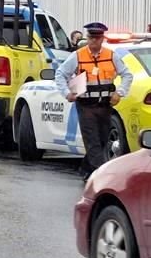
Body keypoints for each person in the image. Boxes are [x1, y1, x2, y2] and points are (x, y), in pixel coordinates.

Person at [55, 22, 134, 180]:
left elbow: (127, 75)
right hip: (86, 106)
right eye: (91, 37)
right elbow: (60, 74)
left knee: (103, 139)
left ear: (102, 39)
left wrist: (120, 93)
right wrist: (66, 93)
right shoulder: (78, 55)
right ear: (87, 38)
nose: (94, 41)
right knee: (92, 141)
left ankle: (86, 169)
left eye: (97, 38)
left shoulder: (111, 56)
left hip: (105, 105)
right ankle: (101, 176)